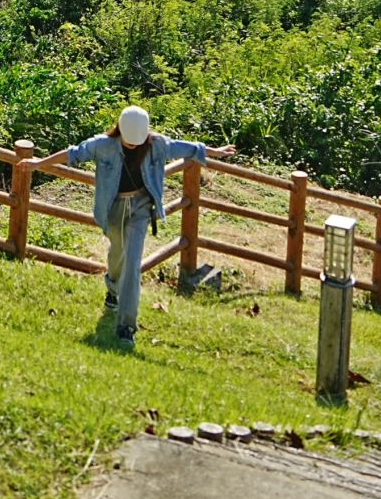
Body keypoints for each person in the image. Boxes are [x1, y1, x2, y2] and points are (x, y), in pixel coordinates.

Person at [27, 106, 235, 345]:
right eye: (129, 141)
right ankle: (112, 290)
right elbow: (73, 153)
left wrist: (216, 152)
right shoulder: (103, 145)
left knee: (133, 264)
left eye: (138, 141)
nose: (133, 146)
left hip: (140, 209)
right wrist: (37, 164)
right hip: (113, 209)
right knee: (117, 254)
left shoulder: (157, 144)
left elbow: (187, 147)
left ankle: (126, 326)